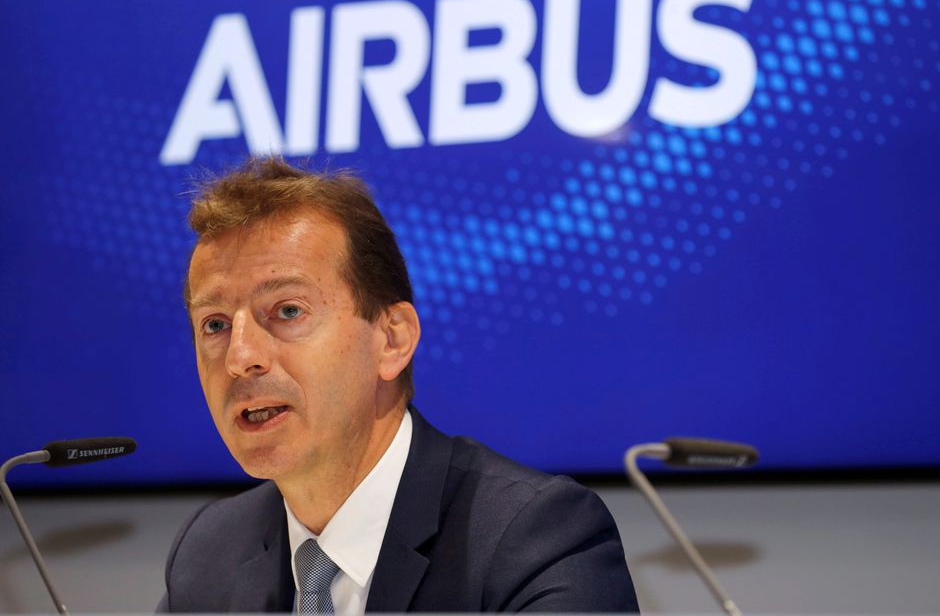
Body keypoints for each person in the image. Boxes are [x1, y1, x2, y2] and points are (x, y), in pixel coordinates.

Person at [157, 157, 639, 613]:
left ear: (392, 340)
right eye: (215, 324)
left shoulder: (535, 539)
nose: (240, 358)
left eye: (287, 311)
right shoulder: (207, 553)